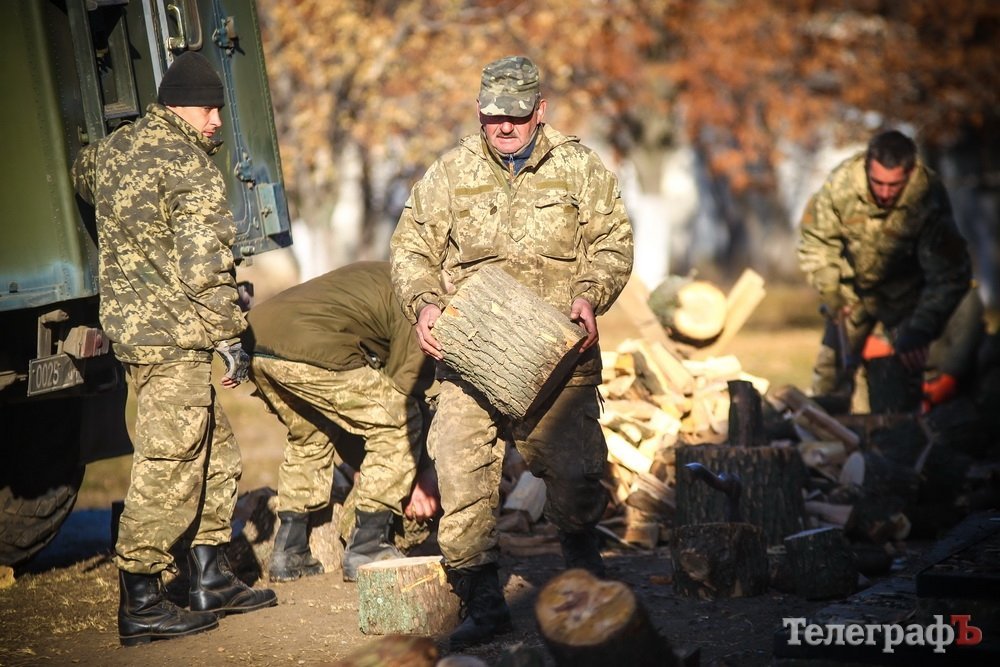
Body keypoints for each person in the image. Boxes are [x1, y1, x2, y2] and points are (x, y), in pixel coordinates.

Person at [390, 55, 633, 650]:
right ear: (479, 111)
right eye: (493, 116)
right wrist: (423, 302)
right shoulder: (450, 173)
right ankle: (481, 596)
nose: (504, 127)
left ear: (540, 111)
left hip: (557, 355)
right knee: (462, 470)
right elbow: (410, 247)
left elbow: (613, 242)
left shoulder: (580, 167)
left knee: (576, 479)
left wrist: (589, 296)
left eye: (517, 117)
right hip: (472, 355)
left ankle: (581, 564)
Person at [71, 51, 276, 646]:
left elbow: (83, 174)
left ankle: (210, 575)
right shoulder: (189, 166)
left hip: (138, 335)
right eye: (210, 109)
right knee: (170, 464)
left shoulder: (113, 152)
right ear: (182, 105)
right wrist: (231, 337)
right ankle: (141, 597)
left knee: (215, 449)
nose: (217, 121)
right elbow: (205, 268)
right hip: (175, 337)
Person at [244, 261, 437, 582]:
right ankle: (368, 545)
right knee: (399, 423)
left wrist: (370, 463)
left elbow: (354, 418)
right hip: (307, 345)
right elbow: (403, 395)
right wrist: (419, 473)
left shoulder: (385, 274)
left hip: (256, 341)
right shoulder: (416, 298)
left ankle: (289, 551)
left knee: (311, 432)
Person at [798, 129, 975, 413]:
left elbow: (950, 273)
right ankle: (825, 446)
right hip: (850, 293)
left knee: (901, 385)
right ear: (867, 165)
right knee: (830, 378)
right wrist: (830, 292)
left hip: (907, 299)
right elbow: (815, 241)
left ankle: (896, 443)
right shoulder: (841, 185)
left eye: (894, 186)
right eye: (877, 182)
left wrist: (921, 327)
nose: (884, 193)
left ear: (910, 172)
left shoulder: (928, 195)